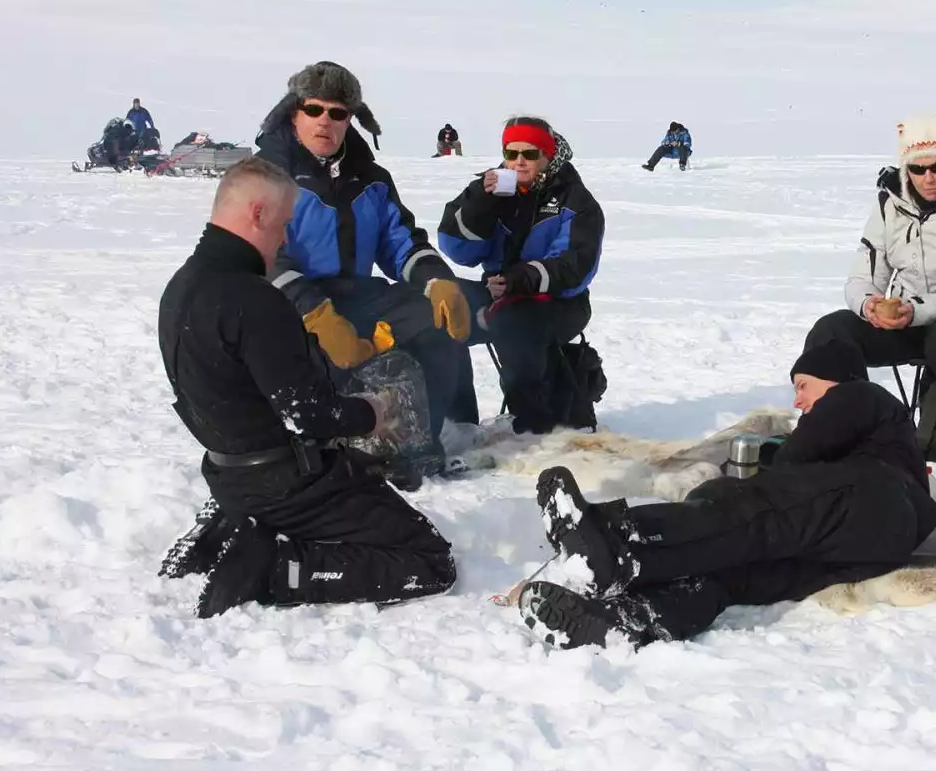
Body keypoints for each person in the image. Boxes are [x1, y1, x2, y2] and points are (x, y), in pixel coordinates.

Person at [157, 158, 457, 618]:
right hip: (286, 482)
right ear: (257, 214)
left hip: (229, 474)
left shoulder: (181, 286)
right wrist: (371, 412)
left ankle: (233, 525)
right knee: (430, 561)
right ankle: (273, 567)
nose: (283, 239)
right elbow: (310, 415)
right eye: (282, 225)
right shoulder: (253, 300)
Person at [513, 339, 936, 649]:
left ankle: (615, 542)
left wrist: (736, 484)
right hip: (868, 545)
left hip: (873, 496)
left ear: (834, 380)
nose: (797, 402)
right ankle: (629, 620)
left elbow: (793, 463)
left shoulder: (858, 394)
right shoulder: (866, 438)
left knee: (750, 510)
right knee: (733, 570)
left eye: (803, 386)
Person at [255, 61, 472, 478]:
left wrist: (437, 280)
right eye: (314, 109)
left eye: (338, 113)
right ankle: (328, 442)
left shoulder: (371, 177)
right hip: (286, 305)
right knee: (322, 360)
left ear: (351, 119)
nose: (325, 121)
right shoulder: (266, 175)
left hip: (357, 293)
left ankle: (422, 438)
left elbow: (402, 242)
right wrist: (316, 313)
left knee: (438, 320)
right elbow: (264, 257)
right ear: (294, 111)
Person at [803, 112, 936, 486]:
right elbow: (861, 277)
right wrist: (869, 305)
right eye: (918, 169)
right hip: (908, 315)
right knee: (833, 330)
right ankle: (830, 439)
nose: (928, 178)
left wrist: (914, 312)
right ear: (906, 170)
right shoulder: (888, 205)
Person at [437, 116, 604, 435]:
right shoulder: (492, 189)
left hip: (559, 301)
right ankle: (458, 424)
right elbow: (457, 248)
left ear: (547, 155)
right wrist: (481, 203)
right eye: (511, 154)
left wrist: (518, 279)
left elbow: (576, 267)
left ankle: (532, 423)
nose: (519, 162)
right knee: (442, 306)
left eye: (529, 154)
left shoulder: (576, 201)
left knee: (514, 321)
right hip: (499, 292)